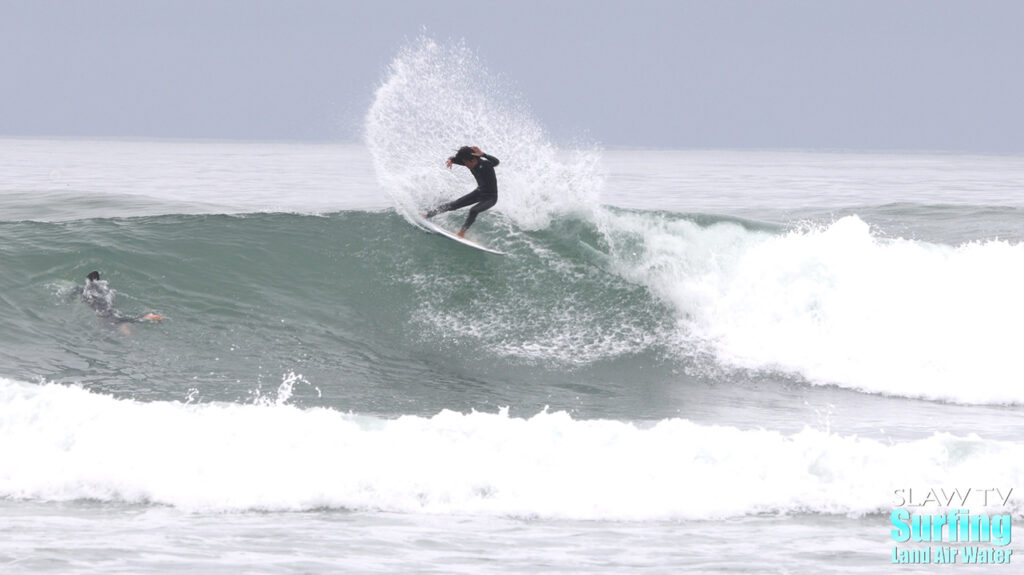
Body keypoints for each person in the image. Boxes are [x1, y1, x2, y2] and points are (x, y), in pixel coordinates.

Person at [425, 146, 500, 238]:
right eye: (464, 162)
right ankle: (427, 215)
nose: (465, 164)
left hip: (490, 197)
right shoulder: (468, 162)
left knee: (474, 210)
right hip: (479, 192)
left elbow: (496, 162)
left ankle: (462, 233)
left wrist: (484, 154)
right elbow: (453, 158)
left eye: (466, 162)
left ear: (472, 160)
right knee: (453, 205)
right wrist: (450, 160)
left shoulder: (485, 164)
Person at [71, 270, 163, 324]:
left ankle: (145, 318)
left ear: (88, 280)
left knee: (114, 321)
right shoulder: (102, 288)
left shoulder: (83, 289)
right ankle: (142, 320)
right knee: (115, 321)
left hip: (103, 310)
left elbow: (72, 297)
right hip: (106, 305)